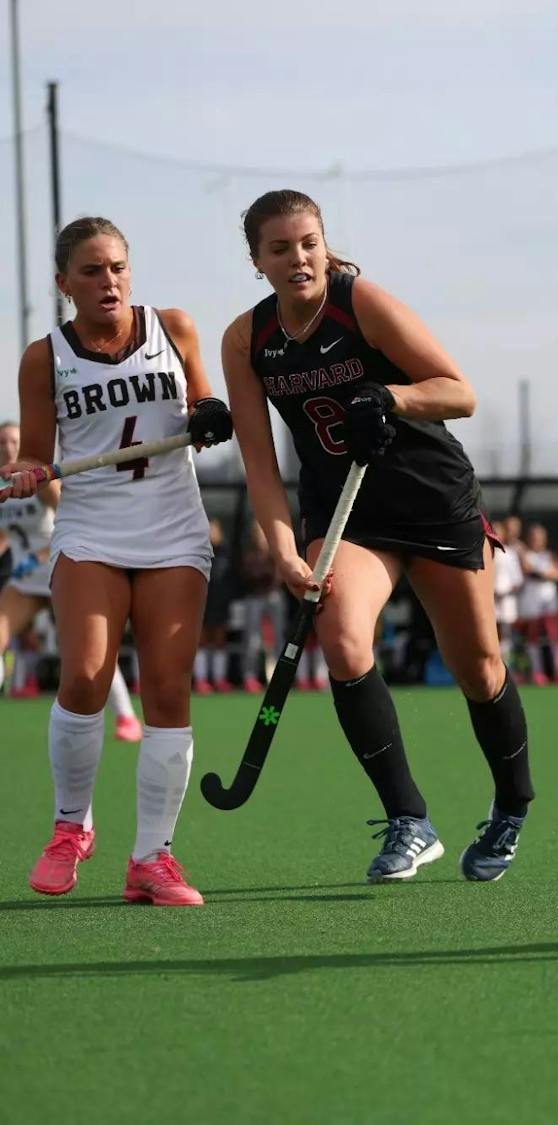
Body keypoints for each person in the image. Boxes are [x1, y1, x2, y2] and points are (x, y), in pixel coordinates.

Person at [223, 189, 533, 884]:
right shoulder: (248, 340)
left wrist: (387, 396)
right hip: (347, 514)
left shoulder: (359, 303)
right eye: (281, 248)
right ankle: (408, 818)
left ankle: (512, 802)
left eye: (309, 242)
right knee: (342, 639)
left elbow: (458, 390)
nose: (299, 257)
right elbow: (261, 467)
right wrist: (282, 551)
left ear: (324, 244)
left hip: (432, 501)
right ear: (257, 262)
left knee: (479, 669)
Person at [2, 216, 233, 906]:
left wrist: (210, 414)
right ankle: (71, 826)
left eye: (118, 268)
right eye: (92, 270)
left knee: (167, 690)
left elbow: (204, 402)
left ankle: (152, 858)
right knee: (84, 677)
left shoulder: (174, 327)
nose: (108, 281)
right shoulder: (45, 358)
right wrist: (28, 471)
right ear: (63, 283)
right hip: (94, 527)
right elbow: (42, 453)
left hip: (172, 528)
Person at [0, 420, 145, 737]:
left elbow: (71, 516)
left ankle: (126, 718)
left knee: (89, 651)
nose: (8, 447)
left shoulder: (34, 478)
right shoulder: (1, 488)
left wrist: (40, 555)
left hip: (57, 567)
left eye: (14, 441)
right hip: (25, 582)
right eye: (2, 442)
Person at [517, 522, 558, 685]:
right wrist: (546, 573)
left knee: (557, 635)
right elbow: (527, 569)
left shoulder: (551, 555)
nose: (537, 540)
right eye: (534, 537)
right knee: (532, 636)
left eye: (540, 538)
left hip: (550, 599)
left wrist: (541, 572)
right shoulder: (524, 554)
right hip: (531, 600)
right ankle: (537, 672)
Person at [238, 522, 282, 692]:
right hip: (253, 597)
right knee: (252, 639)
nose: (259, 535)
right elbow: (246, 574)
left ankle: (278, 677)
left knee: (278, 637)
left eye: (261, 532)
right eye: (256, 532)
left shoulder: (274, 551)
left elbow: (279, 574)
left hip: (273, 596)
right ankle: (249, 677)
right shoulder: (248, 553)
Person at [194, 517, 236, 693]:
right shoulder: (198, 552)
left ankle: (219, 679)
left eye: (215, 530)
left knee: (220, 641)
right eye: (209, 530)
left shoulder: (227, 554)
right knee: (201, 641)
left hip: (221, 604)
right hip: (201, 602)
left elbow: (234, 579)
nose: (212, 533)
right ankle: (202, 680)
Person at [492, 513, 524, 667]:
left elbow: (518, 580)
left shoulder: (510, 554)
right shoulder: (486, 554)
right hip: (490, 603)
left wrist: (504, 591)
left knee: (508, 636)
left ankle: (508, 667)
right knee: (493, 636)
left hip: (507, 602)